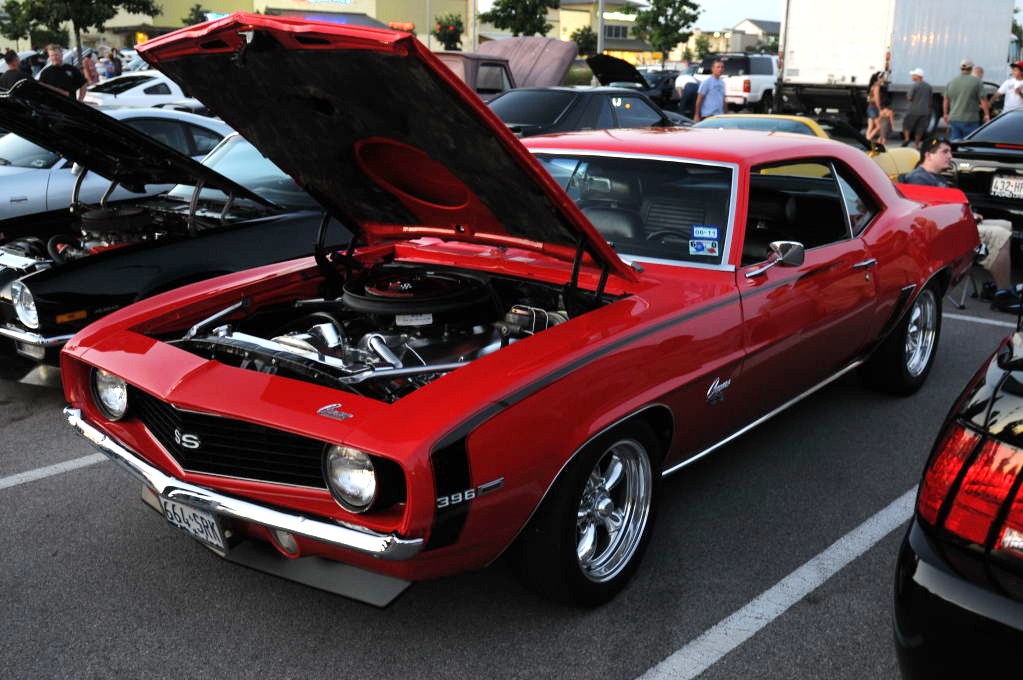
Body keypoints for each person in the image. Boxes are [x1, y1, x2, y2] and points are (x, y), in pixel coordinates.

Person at [903, 136, 1015, 304]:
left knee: (1006, 225)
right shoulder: (918, 179)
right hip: (944, 234)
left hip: (957, 224)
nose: (950, 156)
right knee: (1000, 234)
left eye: (950, 152)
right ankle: (1003, 295)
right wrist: (966, 216)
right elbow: (929, 217)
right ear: (928, 155)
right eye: (945, 152)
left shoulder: (938, 177)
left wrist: (969, 214)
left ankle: (994, 285)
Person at [944, 58, 989, 140]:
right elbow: (983, 100)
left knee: (955, 141)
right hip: (970, 119)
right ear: (971, 68)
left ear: (961, 68)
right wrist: (986, 114)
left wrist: (945, 114)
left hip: (954, 118)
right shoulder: (977, 81)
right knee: (969, 142)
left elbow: (946, 100)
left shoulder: (951, 82)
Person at [902, 68, 932, 148]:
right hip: (924, 112)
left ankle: (907, 139)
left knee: (906, 125)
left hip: (913, 110)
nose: (912, 76)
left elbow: (909, 97)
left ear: (918, 76)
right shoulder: (928, 86)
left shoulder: (914, 85)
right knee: (920, 129)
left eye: (913, 75)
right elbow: (930, 100)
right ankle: (917, 145)